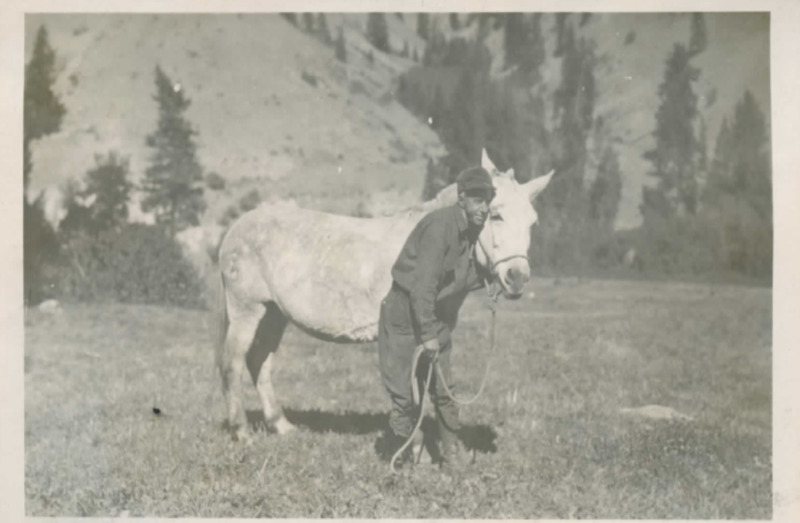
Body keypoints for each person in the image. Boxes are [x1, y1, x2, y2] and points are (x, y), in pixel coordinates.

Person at [378, 166, 494, 473]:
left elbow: (457, 278)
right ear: (461, 198)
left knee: (445, 391)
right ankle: (400, 459)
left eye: (489, 199)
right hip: (404, 314)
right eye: (478, 199)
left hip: (433, 315)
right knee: (405, 396)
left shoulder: (471, 231)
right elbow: (424, 286)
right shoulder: (440, 226)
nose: (484, 207)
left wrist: (492, 282)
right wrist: (428, 333)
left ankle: (450, 454)